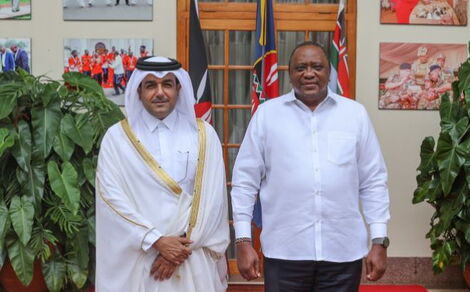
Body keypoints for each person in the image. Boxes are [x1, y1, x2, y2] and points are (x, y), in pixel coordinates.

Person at [231, 42, 390, 292]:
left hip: (342, 252)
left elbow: (373, 182)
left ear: (329, 71)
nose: (308, 73)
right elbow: (244, 182)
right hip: (285, 252)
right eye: (300, 67)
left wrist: (379, 239)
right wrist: (243, 240)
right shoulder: (266, 115)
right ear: (290, 73)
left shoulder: (355, 115)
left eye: (317, 66)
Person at [95, 56, 229, 291]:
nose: (160, 93)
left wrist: (176, 251)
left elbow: (213, 200)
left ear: (179, 88)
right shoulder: (117, 139)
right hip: (140, 257)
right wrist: (156, 241)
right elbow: (111, 199)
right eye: (150, 85)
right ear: (138, 90)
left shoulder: (204, 135)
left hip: (190, 258)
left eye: (167, 84)